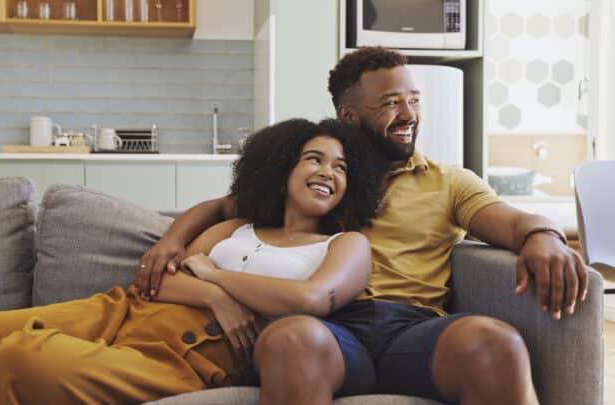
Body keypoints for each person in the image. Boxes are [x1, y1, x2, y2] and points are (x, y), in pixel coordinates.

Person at [135, 47, 589, 405]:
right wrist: (169, 243)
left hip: (414, 328)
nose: (409, 114)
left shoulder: (448, 182)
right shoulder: (321, 179)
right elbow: (220, 208)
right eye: (391, 103)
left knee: (496, 342)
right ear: (349, 115)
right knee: (292, 338)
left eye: (413, 101)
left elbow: (514, 223)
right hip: (326, 326)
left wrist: (542, 236)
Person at [0, 118, 387, 404]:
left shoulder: (344, 247)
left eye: (340, 167)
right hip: (122, 311)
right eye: (313, 158)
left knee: (25, 360)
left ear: (349, 186)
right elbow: (164, 284)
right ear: (281, 169)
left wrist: (215, 277)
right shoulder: (233, 227)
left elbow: (309, 301)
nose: (327, 171)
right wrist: (218, 294)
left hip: (186, 355)